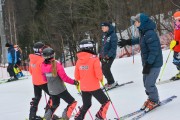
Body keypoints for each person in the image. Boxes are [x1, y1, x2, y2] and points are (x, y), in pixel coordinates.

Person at [118, 13, 163, 112]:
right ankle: (151, 98)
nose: (134, 24)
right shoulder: (144, 32)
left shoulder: (150, 33)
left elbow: (154, 51)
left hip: (154, 64)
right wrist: (128, 41)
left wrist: (149, 64)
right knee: (145, 82)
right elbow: (139, 40)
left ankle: (155, 100)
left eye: (136, 22)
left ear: (141, 22)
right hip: (148, 63)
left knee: (149, 84)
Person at [74, 39, 110, 120]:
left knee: (87, 104)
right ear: (90, 48)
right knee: (105, 102)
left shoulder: (79, 60)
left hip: (84, 88)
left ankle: (79, 117)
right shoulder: (94, 59)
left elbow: (77, 77)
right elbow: (98, 74)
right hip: (94, 87)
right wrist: (101, 78)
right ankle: (100, 116)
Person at [41, 47, 78, 120]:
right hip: (60, 89)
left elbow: (44, 78)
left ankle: (47, 117)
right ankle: (65, 116)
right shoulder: (56, 64)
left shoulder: (42, 65)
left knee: (55, 104)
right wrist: (74, 82)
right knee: (72, 102)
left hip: (51, 90)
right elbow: (65, 78)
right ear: (53, 55)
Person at [29, 42, 52, 120]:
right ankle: (48, 114)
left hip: (35, 82)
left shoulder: (32, 59)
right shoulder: (42, 59)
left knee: (37, 97)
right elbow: (46, 71)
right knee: (53, 96)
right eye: (43, 48)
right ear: (39, 50)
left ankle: (32, 115)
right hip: (43, 82)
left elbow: (30, 71)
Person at [100, 22, 118, 89]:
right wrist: (101, 55)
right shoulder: (104, 35)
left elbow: (114, 47)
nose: (102, 29)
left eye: (103, 27)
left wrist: (108, 56)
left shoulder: (113, 35)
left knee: (106, 68)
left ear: (107, 27)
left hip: (110, 55)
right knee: (103, 69)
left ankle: (112, 82)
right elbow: (103, 46)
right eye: (101, 28)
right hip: (104, 56)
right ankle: (109, 82)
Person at [169, 11, 180, 80]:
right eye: (175, 19)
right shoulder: (176, 27)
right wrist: (173, 44)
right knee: (176, 61)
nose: (176, 21)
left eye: (177, 19)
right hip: (177, 48)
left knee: (178, 61)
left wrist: (177, 42)